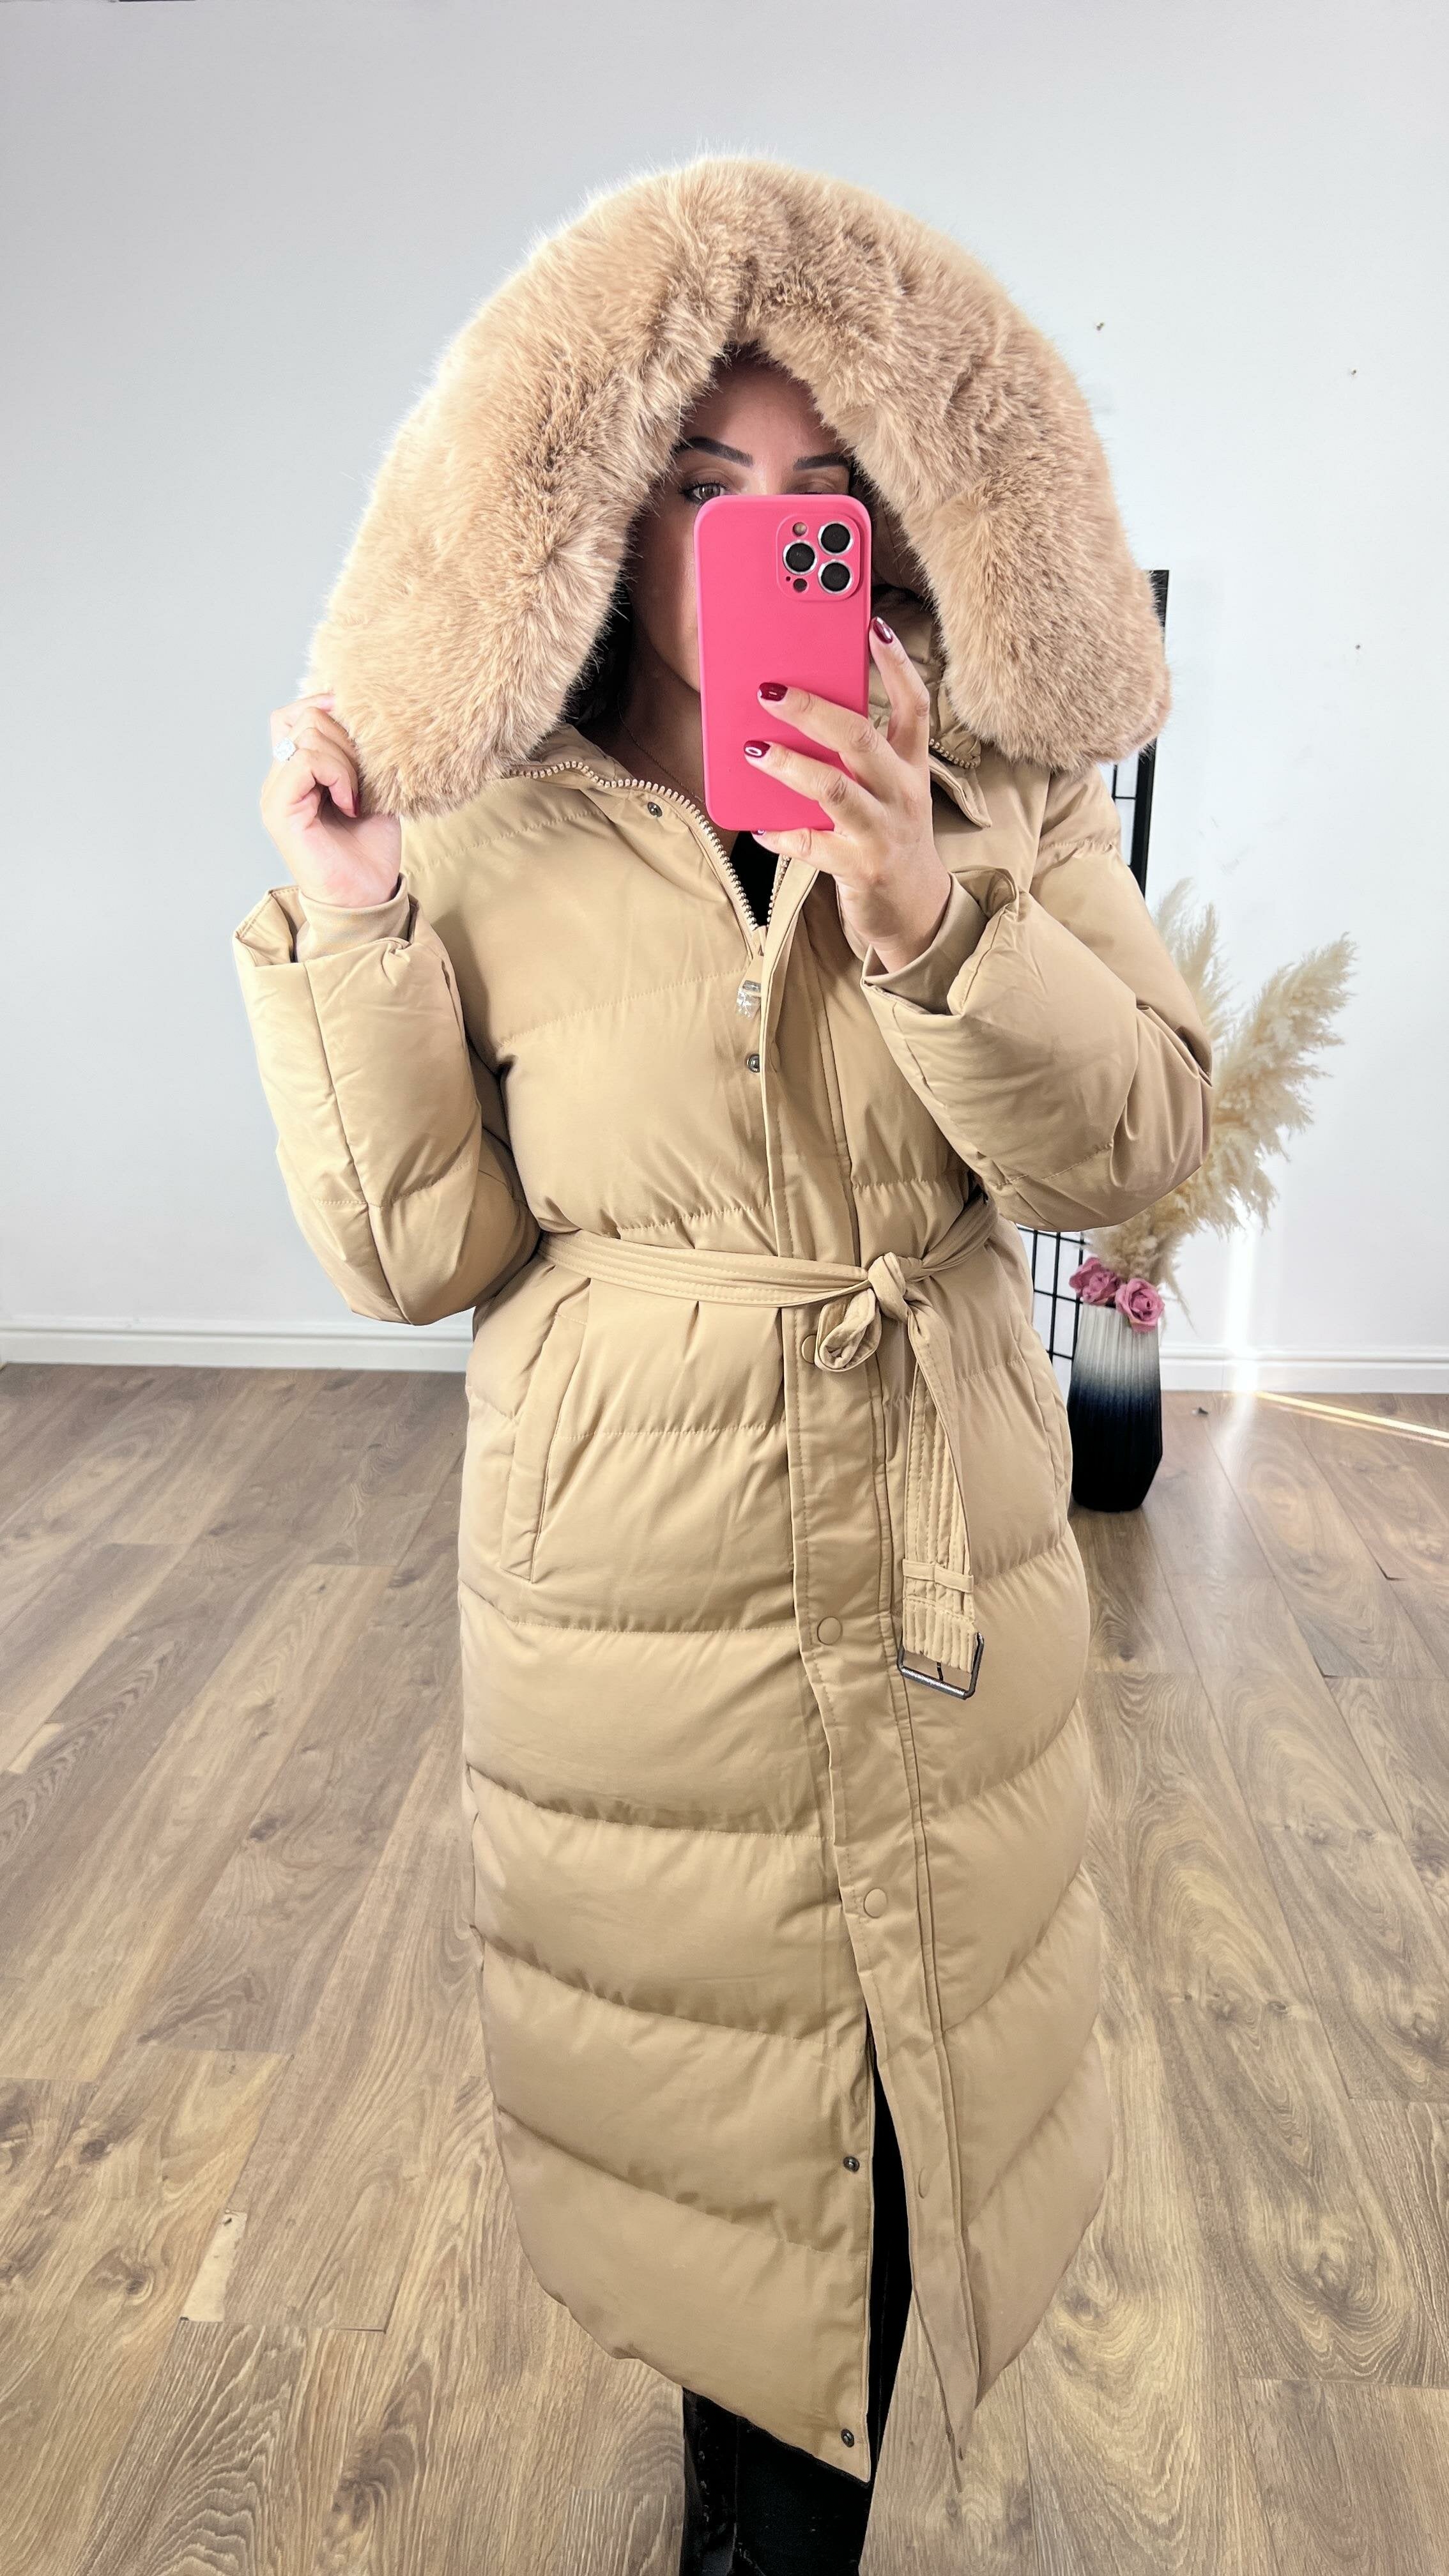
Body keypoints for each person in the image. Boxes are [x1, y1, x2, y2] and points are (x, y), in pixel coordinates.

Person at [238, 158, 1213, 2576]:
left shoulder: (996, 785)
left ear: (894, 519)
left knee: (901, 2079)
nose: (755, 537)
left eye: (817, 489)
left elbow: (1131, 1147)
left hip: (930, 1508)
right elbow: (417, 1251)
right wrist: (351, 928)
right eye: (695, 481)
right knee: (703, 2088)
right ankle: (744, 2502)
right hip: (630, 1557)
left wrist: (926, 912)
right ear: (593, 499)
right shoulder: (484, 814)